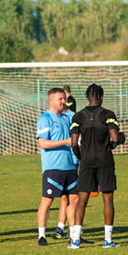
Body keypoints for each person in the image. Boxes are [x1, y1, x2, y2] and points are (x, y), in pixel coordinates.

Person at [69, 84, 126, 249]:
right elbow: (115, 139)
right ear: (101, 97)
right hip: (105, 162)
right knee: (107, 199)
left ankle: (76, 241)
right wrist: (121, 138)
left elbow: (74, 143)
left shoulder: (78, 117)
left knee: (82, 201)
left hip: (86, 163)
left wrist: (81, 159)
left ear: (87, 98)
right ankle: (108, 241)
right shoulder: (108, 115)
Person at [36, 88, 78, 246]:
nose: (63, 101)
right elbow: (43, 143)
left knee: (74, 201)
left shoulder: (67, 119)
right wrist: (65, 142)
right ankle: (42, 236)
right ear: (51, 100)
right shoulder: (45, 119)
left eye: (64, 98)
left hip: (70, 167)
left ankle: (74, 235)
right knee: (47, 202)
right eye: (60, 99)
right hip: (53, 168)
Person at [54, 93, 79, 239]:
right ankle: (60, 227)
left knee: (72, 198)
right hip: (60, 162)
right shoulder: (56, 117)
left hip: (72, 161)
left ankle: (72, 228)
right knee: (63, 197)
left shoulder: (73, 117)